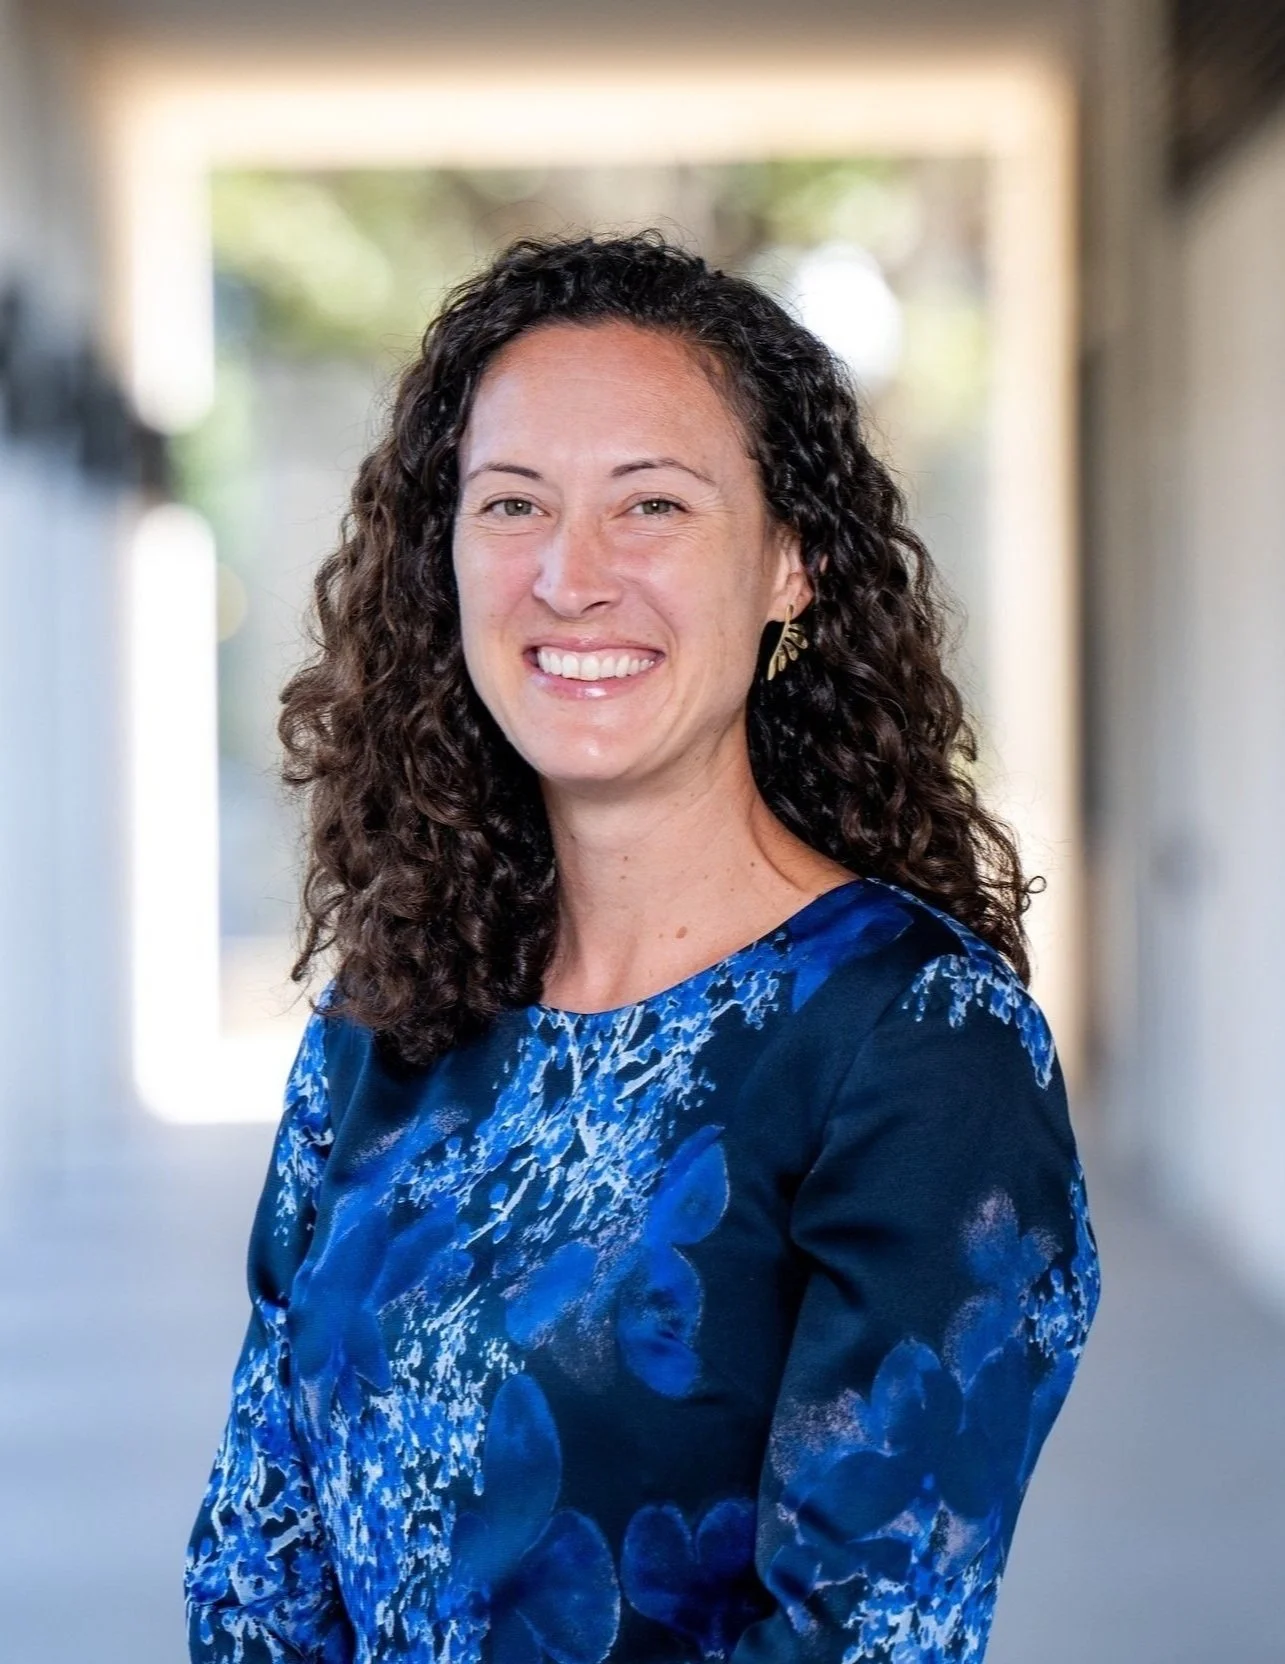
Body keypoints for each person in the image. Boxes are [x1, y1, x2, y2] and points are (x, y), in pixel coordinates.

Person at [185, 232, 1100, 1664]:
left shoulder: (921, 1047)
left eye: (653, 504)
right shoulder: (388, 1022)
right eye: (511, 505)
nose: (570, 574)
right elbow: (260, 1562)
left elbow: (872, 1636)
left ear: (793, 563)